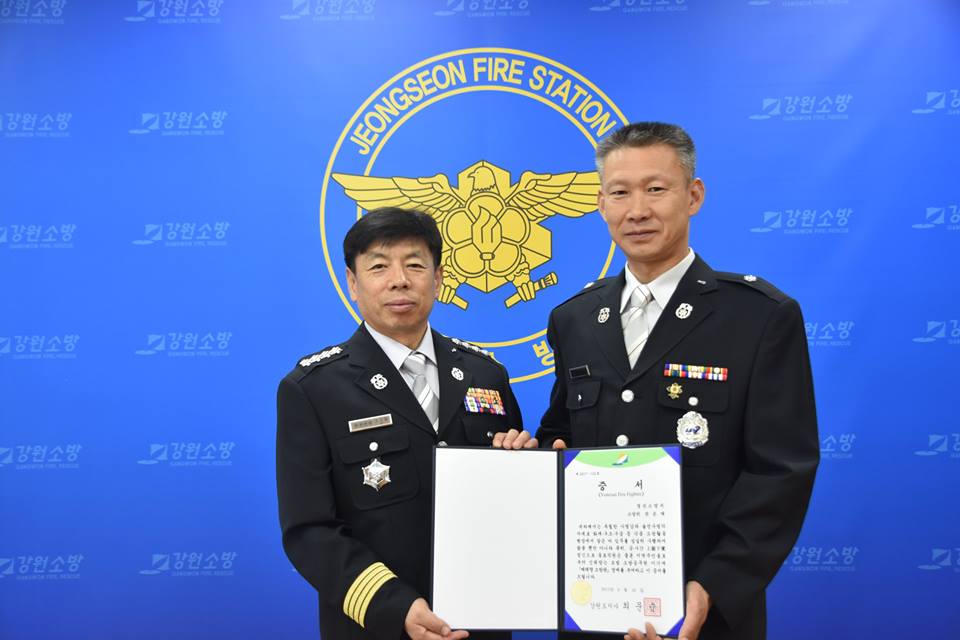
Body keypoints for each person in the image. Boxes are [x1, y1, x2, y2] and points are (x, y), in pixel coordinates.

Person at [496, 122, 819, 640]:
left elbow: (781, 471)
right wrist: (530, 463)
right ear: (601, 204)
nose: (637, 210)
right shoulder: (575, 319)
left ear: (693, 196)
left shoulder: (758, 316)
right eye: (620, 193)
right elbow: (564, 436)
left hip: (703, 614)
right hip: (592, 606)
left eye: (655, 189)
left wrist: (713, 585)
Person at [277, 207, 522, 640]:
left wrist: (522, 466)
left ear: (438, 277)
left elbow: (512, 504)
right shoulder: (313, 389)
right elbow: (309, 530)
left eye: (414, 265)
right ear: (353, 282)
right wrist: (392, 605)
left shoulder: (486, 374)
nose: (399, 280)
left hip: (482, 623)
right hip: (379, 626)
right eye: (378, 267)